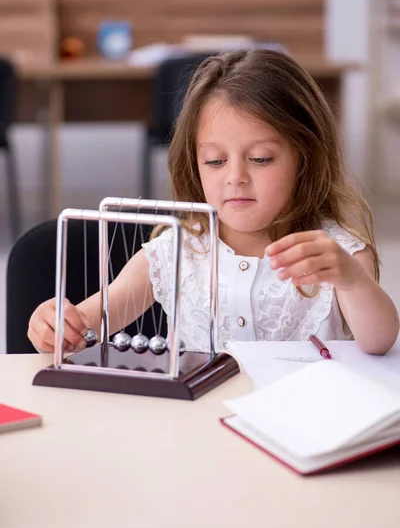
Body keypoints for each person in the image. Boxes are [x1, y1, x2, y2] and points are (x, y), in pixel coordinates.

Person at [28, 49, 399, 355]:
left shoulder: (337, 254)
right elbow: (87, 322)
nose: (235, 176)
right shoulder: (173, 251)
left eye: (260, 159)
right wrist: (57, 324)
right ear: (195, 164)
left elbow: (380, 341)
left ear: (306, 157)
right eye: (215, 161)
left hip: (304, 435)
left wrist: (350, 280)